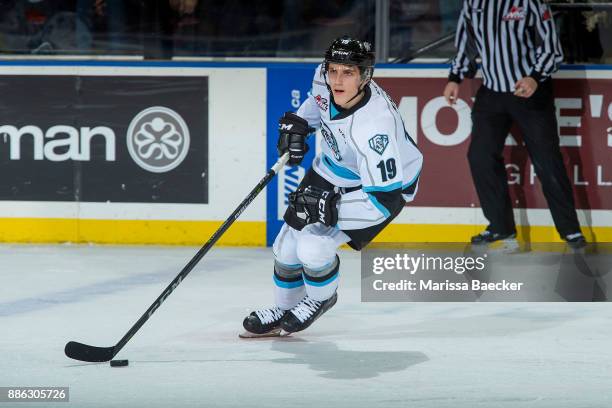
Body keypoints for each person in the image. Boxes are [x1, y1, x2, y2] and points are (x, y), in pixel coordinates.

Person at [241, 36, 423, 337]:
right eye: (333, 70)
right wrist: (301, 124)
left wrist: (330, 208)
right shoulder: (324, 78)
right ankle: (283, 308)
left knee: (313, 246)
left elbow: (384, 201)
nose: (337, 80)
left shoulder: (375, 127)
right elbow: (317, 101)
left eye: (348, 73)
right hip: (333, 169)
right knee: (286, 246)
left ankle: (320, 298)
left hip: (378, 190)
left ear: (365, 76)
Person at [443, 0, 586, 248]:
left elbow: (551, 46)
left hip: (530, 91)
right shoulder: (473, 3)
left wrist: (535, 77)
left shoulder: (530, 2)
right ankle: (500, 227)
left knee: (547, 161)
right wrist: (454, 77)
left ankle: (570, 230)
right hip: (492, 91)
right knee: (480, 156)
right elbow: (466, 45)